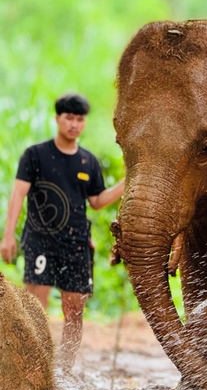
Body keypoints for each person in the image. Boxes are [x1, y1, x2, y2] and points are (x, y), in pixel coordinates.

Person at [1, 93, 125, 369]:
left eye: (80, 119)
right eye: (69, 117)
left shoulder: (88, 162)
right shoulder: (35, 155)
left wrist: (127, 182)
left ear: (84, 123)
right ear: (57, 118)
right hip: (40, 242)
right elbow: (18, 195)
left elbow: (96, 201)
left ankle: (65, 370)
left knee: (75, 312)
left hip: (77, 245)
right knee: (35, 309)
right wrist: (8, 235)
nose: (74, 124)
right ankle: (34, 369)